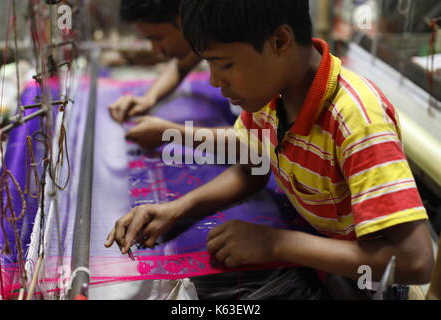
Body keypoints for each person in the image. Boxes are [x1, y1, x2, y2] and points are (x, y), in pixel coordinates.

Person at [106, 0, 434, 287]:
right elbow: (253, 166)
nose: (215, 81)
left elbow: (414, 262)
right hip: (318, 251)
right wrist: (178, 208)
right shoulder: (271, 97)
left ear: (279, 41)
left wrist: (276, 244)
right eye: (209, 64)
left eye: (225, 64)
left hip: (360, 280)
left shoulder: (356, 120)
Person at [110, 0, 236, 150]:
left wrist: (171, 133)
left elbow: (259, 141)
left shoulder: (239, 41)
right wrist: (148, 99)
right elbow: (180, 66)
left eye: (158, 38)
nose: (157, 50)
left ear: (183, 18)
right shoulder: (207, 33)